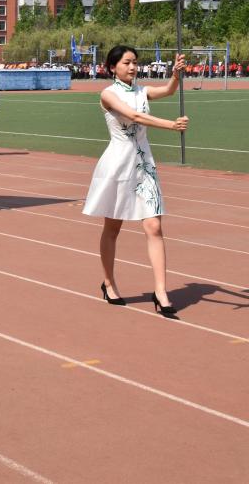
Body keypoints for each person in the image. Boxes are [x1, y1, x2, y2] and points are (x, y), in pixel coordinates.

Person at [83, 46, 188, 318]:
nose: (132, 67)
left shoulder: (142, 91)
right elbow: (134, 116)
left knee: (154, 226)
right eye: (126, 62)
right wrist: (171, 125)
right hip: (118, 166)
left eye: (135, 62)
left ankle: (161, 292)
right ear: (113, 67)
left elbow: (168, 91)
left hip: (144, 166)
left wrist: (175, 75)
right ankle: (109, 283)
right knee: (113, 228)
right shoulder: (108, 94)